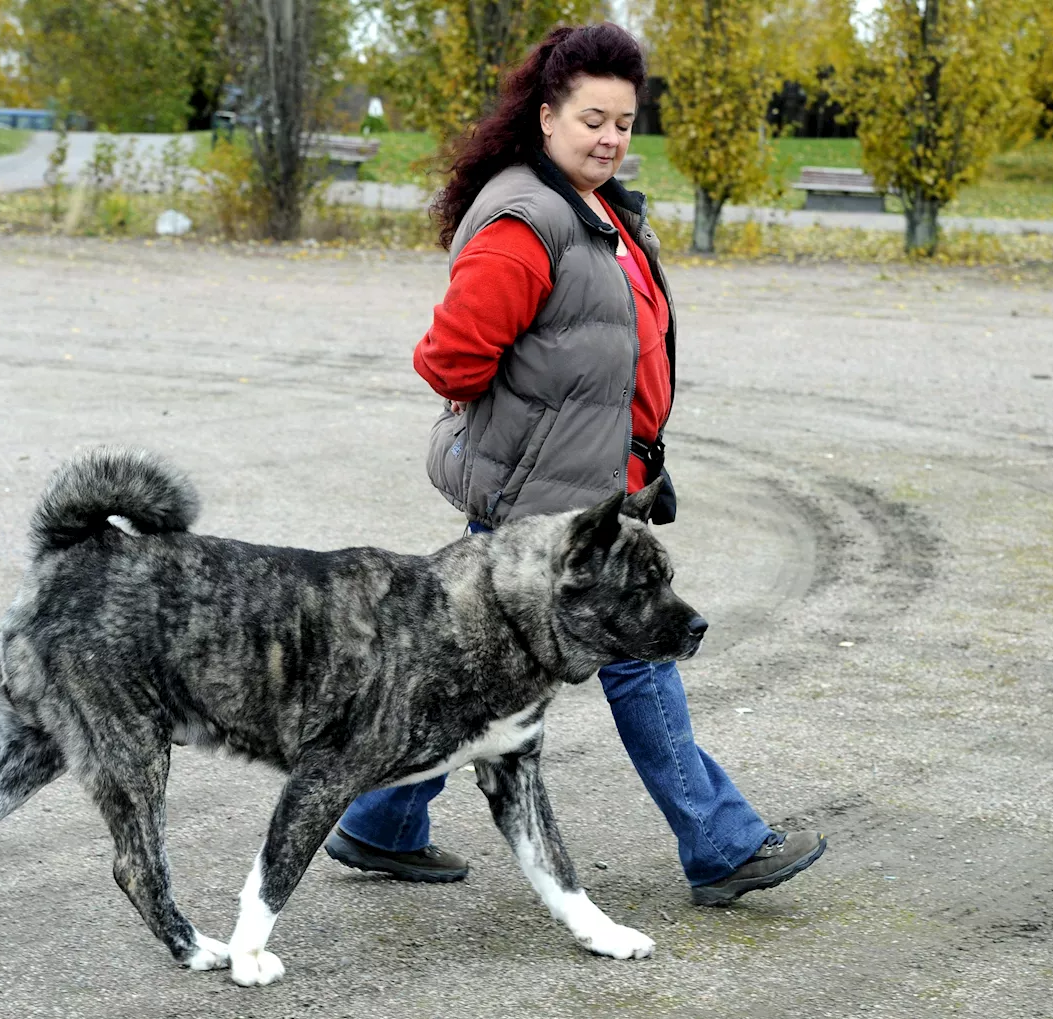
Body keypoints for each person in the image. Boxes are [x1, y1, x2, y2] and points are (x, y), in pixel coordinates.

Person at [324, 22, 826, 906]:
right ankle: (722, 841)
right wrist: (527, 431)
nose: (610, 137)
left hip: (597, 495)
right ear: (546, 114)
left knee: (469, 674)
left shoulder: (600, 208)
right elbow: (450, 360)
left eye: (625, 123)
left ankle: (381, 823)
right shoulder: (526, 219)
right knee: (635, 661)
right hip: (548, 513)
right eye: (593, 117)